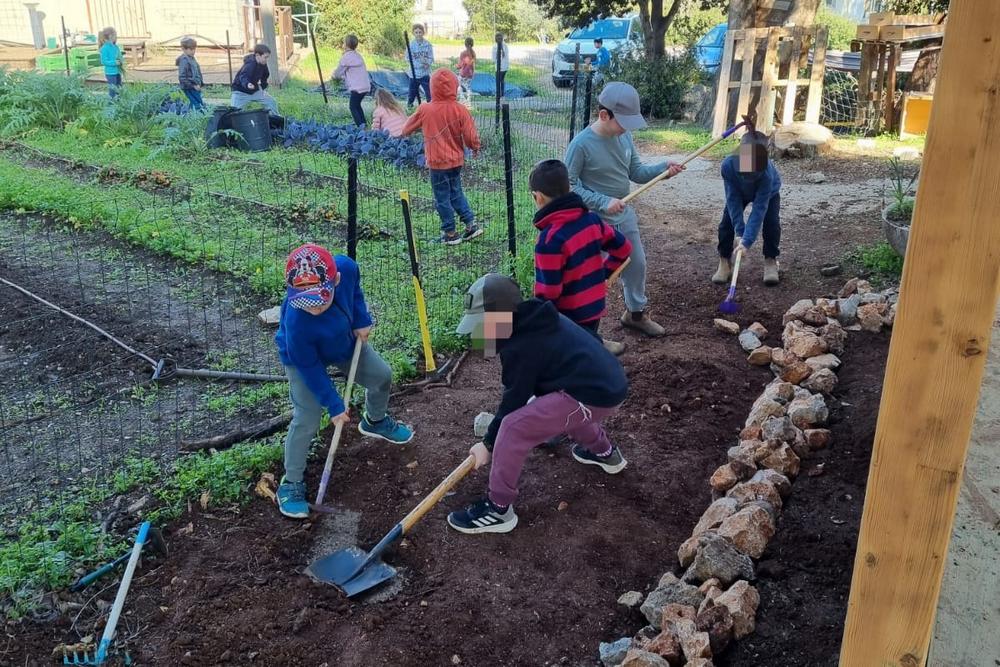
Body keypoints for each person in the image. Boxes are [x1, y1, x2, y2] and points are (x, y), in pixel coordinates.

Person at [446, 273, 629, 534]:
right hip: (606, 384)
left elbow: (513, 401)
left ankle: (498, 509)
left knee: (512, 428)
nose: (479, 332)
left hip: (593, 395)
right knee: (562, 410)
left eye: (483, 324)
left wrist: (488, 443)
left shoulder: (521, 346)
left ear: (501, 317)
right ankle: (605, 454)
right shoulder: (538, 318)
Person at [274, 243, 414, 519]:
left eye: (320, 299)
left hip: (343, 342)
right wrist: (334, 405)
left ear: (335, 280)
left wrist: (361, 318)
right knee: (308, 416)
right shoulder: (297, 321)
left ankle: (374, 421)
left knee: (381, 376)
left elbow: (355, 291)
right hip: (303, 358)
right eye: (305, 301)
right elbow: (308, 366)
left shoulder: (345, 269)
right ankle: (291, 483)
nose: (313, 308)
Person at [564, 81, 684, 338]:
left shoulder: (624, 136)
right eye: (623, 122)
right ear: (603, 115)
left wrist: (663, 169)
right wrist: (601, 200)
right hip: (592, 220)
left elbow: (636, 171)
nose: (627, 129)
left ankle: (635, 314)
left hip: (622, 213)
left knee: (637, 263)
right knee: (592, 277)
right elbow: (569, 185)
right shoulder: (581, 145)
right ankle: (588, 332)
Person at [530, 159, 632, 356]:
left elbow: (549, 293)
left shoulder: (550, 240)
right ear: (569, 188)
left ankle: (593, 370)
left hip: (568, 316)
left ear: (538, 197)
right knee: (587, 343)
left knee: (573, 355)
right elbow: (623, 248)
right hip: (593, 306)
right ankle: (596, 350)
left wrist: (539, 319)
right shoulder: (592, 220)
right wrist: (603, 273)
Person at [401, 69, 483, 245]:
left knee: (441, 198)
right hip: (456, 160)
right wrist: (474, 147)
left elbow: (406, 128)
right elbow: (470, 135)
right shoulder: (460, 109)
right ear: (455, 86)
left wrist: (415, 128)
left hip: (437, 163)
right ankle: (471, 225)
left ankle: (450, 233)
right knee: (456, 192)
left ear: (432, 87)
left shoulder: (425, 109)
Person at [712, 130, 783, 286]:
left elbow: (759, 209)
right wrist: (739, 231)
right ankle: (724, 262)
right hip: (738, 192)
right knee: (726, 223)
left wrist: (746, 241)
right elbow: (733, 200)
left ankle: (770, 260)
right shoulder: (728, 166)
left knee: (772, 223)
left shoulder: (767, 176)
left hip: (768, 193)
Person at [333, 34, 371, 127]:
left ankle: (360, 127)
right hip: (365, 86)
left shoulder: (346, 57)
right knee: (357, 105)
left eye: (343, 42)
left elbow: (339, 72)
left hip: (357, 88)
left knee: (352, 107)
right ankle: (364, 124)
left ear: (345, 45)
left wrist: (334, 76)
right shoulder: (358, 56)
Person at [230, 44, 278, 115]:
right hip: (240, 92)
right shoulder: (250, 64)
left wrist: (263, 88)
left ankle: (276, 120)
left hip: (254, 90)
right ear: (258, 55)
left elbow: (265, 75)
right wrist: (247, 84)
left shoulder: (263, 64)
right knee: (234, 112)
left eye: (268, 57)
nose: (267, 59)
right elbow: (243, 76)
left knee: (271, 102)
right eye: (265, 57)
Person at [407, 24, 434, 108]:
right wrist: (419, 64)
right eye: (416, 32)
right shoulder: (411, 45)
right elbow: (407, 58)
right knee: (412, 92)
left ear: (423, 33)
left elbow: (431, 58)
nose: (418, 34)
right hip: (414, 74)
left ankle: (431, 108)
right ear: (413, 33)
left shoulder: (427, 45)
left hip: (424, 74)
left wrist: (427, 63)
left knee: (429, 92)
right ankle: (409, 106)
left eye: (420, 32)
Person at [176, 37, 205, 111]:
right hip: (189, 87)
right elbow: (182, 77)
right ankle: (193, 120)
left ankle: (192, 119)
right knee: (197, 105)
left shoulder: (191, 58)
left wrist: (200, 83)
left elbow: (197, 71)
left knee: (196, 104)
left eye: (194, 49)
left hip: (195, 86)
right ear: (184, 49)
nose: (193, 51)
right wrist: (193, 86)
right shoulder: (184, 60)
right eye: (191, 49)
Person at [98, 27, 123, 98]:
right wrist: (114, 62)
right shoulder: (104, 48)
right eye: (115, 35)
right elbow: (104, 61)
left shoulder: (116, 47)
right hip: (110, 73)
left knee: (119, 86)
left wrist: (122, 61)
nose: (116, 37)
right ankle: (112, 102)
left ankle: (120, 101)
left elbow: (119, 56)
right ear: (110, 36)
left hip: (118, 71)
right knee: (113, 88)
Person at [457, 37, 476, 103]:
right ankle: (468, 99)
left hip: (463, 73)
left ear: (465, 44)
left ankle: (462, 98)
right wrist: (473, 72)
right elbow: (473, 64)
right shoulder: (473, 53)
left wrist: (457, 66)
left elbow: (461, 64)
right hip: (470, 73)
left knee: (459, 85)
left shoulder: (463, 53)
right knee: (468, 86)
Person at [491, 32, 509, 97]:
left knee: (498, 81)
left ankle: (498, 94)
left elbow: (493, 60)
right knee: (502, 80)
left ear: (495, 39)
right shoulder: (505, 45)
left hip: (499, 67)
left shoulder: (494, 47)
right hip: (505, 67)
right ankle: (502, 93)